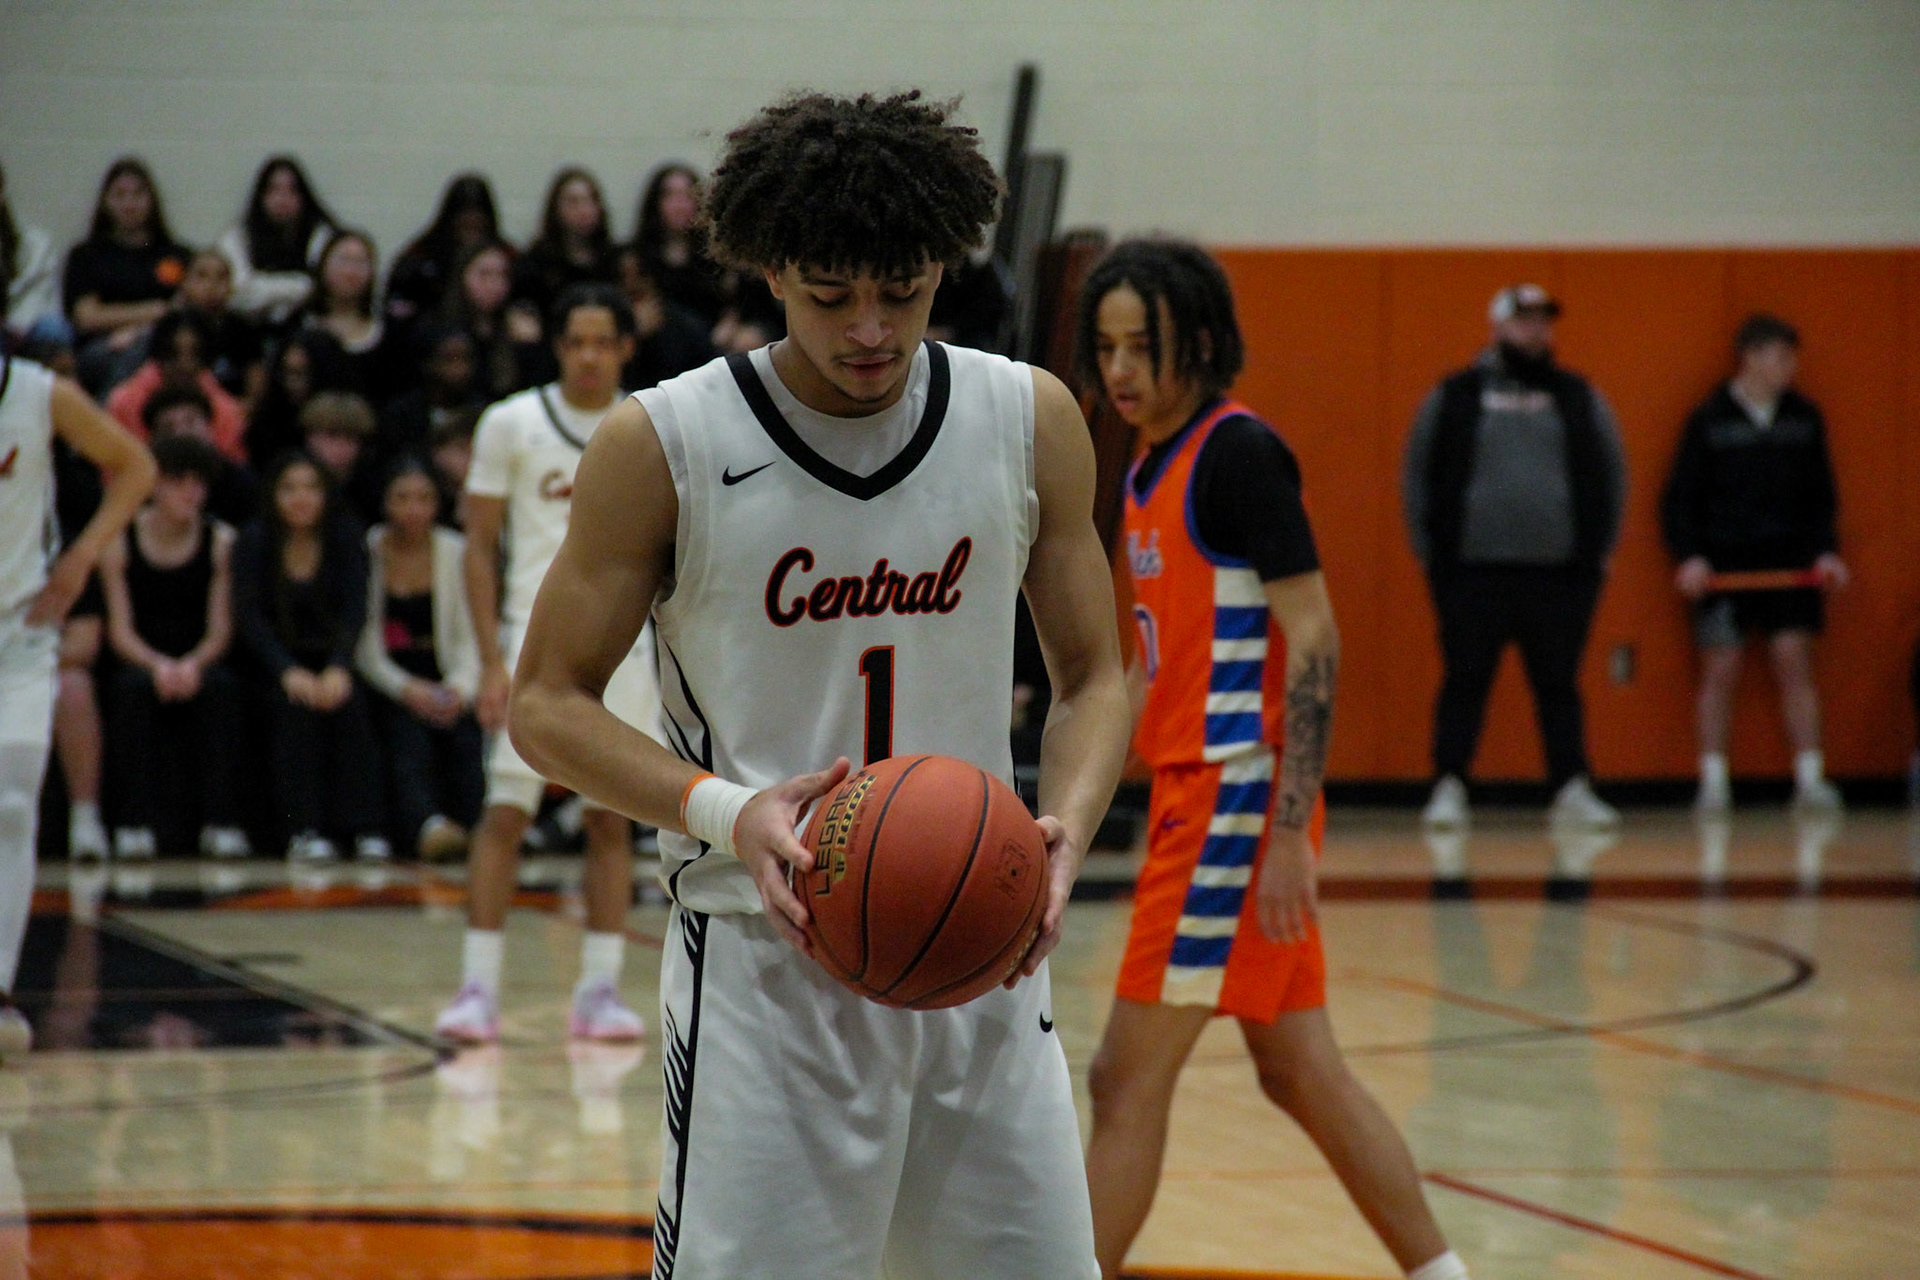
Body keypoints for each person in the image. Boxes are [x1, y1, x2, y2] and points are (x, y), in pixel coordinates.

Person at [507, 90, 1131, 1278]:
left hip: (982, 955)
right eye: (830, 293)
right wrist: (728, 810)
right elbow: (544, 702)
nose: (870, 328)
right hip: (768, 966)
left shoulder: (1026, 417)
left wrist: (1066, 831)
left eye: (903, 289)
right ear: (770, 271)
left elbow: (1097, 673)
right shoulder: (665, 444)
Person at [1077, 240, 1467, 1280]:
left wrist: (1289, 829)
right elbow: (1150, 665)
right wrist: (1068, 810)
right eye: (1107, 347)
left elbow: (1317, 637)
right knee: (1298, 1070)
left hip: (1236, 797)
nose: (1121, 369)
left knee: (1122, 1079)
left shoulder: (1239, 455)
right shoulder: (1148, 465)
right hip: (1196, 792)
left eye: (1142, 345)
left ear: (1201, 341)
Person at [431, 282, 657, 1045]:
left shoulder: (649, 423)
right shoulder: (511, 423)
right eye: (576, 341)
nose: (589, 356)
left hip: (629, 649)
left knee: (610, 819)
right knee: (504, 815)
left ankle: (599, 992)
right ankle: (476, 989)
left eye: (603, 342)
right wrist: (490, 661)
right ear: (558, 347)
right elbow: (478, 550)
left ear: (625, 348)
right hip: (534, 644)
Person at [1401, 284, 1626, 830]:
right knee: (1465, 680)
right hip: (1471, 571)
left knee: (1559, 683)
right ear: (1498, 326)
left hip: (1558, 574)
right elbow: (1417, 472)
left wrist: (1600, 549)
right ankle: (1449, 784)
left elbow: (1612, 471)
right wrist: (1430, 552)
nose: (1536, 330)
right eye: (1524, 320)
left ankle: (1571, 786)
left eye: (1543, 320)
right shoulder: (1456, 395)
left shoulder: (1578, 397)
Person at [0, 344, 155, 1060]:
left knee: (13, 799)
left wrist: (83, 554)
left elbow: (136, 466)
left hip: (21, 633)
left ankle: (1, 991)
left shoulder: (40, 394)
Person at [1661, 314, 1847, 812]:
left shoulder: (1804, 417)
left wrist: (1826, 551)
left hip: (1789, 561)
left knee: (1793, 660)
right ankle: (1713, 782)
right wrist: (1690, 557)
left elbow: (1822, 496)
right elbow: (1680, 499)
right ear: (1751, 356)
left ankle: (1810, 779)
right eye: (1781, 357)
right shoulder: (1708, 419)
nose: (1790, 367)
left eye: (1792, 358)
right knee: (1721, 668)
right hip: (1725, 565)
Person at [232, 451, 386, 862]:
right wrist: (286, 670)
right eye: (289, 488)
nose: (301, 498)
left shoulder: (346, 538)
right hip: (271, 666)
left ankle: (365, 828)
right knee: (291, 711)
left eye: (311, 488)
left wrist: (339, 667)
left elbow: (355, 610)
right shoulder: (254, 541)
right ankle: (302, 828)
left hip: (332, 659)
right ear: (273, 495)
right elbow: (249, 618)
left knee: (351, 707)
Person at [99, 435, 248, 859]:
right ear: (154, 485)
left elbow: (220, 630)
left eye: (198, 483)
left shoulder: (221, 541)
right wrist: (159, 666)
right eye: (178, 481)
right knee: (131, 690)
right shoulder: (120, 538)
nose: (190, 493)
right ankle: (132, 824)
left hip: (197, 655)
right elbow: (120, 630)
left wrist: (191, 665)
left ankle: (221, 823)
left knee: (222, 689)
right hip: (140, 655)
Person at [356, 458, 482, 860]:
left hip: (444, 676)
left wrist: (460, 690)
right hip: (388, 679)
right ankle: (427, 827)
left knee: (466, 736)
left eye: (424, 498)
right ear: (385, 501)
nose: (413, 508)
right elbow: (365, 645)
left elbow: (470, 638)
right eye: (402, 498)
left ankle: (476, 828)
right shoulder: (368, 549)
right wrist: (407, 689)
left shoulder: (455, 550)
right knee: (405, 735)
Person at [61, 158, 190, 396]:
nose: (129, 204)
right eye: (120, 195)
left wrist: (134, 332)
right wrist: (154, 311)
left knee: (149, 348)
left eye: (138, 194)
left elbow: (184, 309)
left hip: (161, 348)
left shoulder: (177, 255)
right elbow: (88, 317)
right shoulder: (86, 255)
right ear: (105, 202)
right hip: (100, 348)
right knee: (137, 352)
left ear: (152, 200)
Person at [105, 310, 249, 462]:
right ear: (159, 355)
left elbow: (234, 467)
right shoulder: (123, 403)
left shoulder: (227, 412)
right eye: (174, 354)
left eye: (195, 354)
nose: (185, 365)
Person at [218, 156, 337, 330]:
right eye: (274, 190)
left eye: (292, 190)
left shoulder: (322, 235)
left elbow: (325, 288)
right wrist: (299, 286)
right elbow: (236, 293)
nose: (282, 199)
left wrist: (262, 290)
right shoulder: (237, 236)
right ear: (261, 195)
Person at [386, 173, 500, 343]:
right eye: (465, 219)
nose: (471, 223)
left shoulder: (505, 258)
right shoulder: (418, 260)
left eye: (477, 221)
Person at [142, 386, 260, 528]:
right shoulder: (142, 487)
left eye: (190, 422)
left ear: (208, 426)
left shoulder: (241, 483)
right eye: (168, 427)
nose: (181, 433)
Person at [513, 168, 619, 323]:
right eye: (573, 202)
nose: (584, 210)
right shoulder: (536, 263)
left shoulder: (614, 259)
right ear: (555, 209)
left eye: (590, 200)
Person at [300, 229, 393, 400]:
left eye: (360, 263)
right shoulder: (300, 324)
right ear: (323, 265)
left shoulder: (389, 331)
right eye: (343, 261)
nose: (351, 272)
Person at [612, 247, 714, 391]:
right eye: (622, 277)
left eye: (641, 274)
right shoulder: (606, 325)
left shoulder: (686, 325)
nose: (631, 284)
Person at [171, 248, 265, 404]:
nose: (211, 285)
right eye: (202, 276)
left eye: (221, 277)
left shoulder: (244, 329)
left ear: (231, 286)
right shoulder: (171, 327)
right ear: (185, 282)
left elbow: (255, 390)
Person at [1, 161, 66, 349]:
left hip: (19, 326)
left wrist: (17, 324)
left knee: (56, 330)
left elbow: (38, 293)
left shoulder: (32, 243)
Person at [298, 390, 382, 528]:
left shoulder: (371, 491)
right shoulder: (292, 479)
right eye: (332, 435)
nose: (341, 447)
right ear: (310, 437)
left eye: (350, 437)